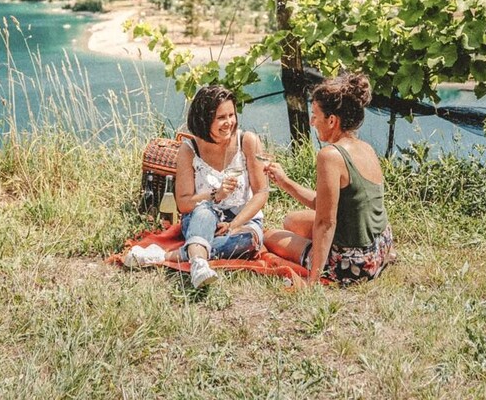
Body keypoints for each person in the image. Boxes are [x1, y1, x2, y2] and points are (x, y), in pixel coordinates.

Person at [124, 84, 269, 288]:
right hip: (202, 218)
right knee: (204, 211)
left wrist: (234, 225)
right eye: (221, 117)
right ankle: (200, 264)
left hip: (242, 220)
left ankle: (169, 255)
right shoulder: (189, 149)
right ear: (204, 119)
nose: (229, 122)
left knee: (248, 241)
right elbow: (184, 204)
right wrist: (216, 195)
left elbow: (261, 193)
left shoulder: (247, 141)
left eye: (231, 115)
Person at [263, 72, 394, 285]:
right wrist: (284, 182)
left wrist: (313, 280)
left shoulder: (330, 156)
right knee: (291, 220)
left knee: (270, 237)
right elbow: (326, 204)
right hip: (381, 248)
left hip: (355, 264)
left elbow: (326, 222)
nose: (312, 122)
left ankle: (323, 263)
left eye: (315, 115)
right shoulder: (365, 148)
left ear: (332, 120)